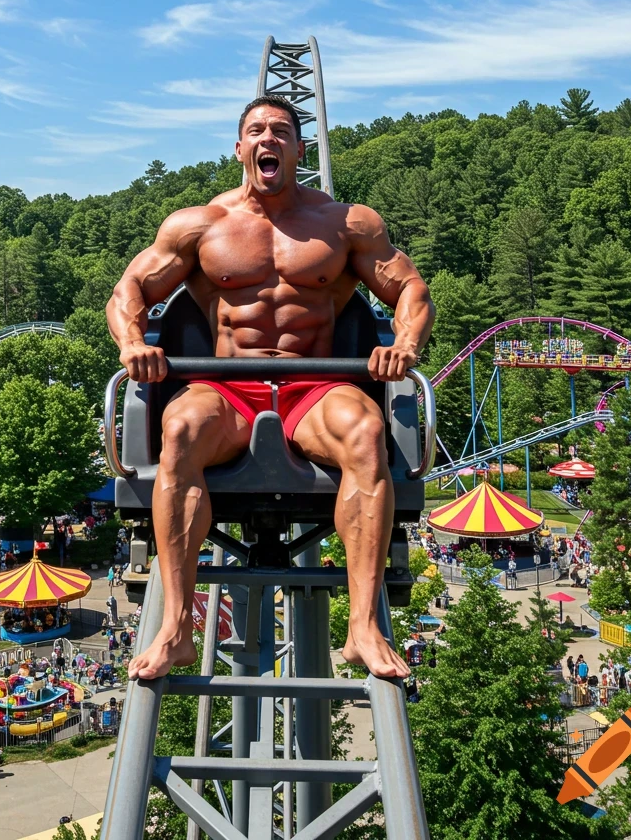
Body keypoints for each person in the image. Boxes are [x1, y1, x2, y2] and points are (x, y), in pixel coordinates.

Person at [107, 94, 434, 681]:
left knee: (366, 431)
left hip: (317, 385)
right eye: (256, 130)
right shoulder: (199, 225)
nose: (269, 139)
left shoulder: (345, 224)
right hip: (227, 388)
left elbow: (411, 291)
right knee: (178, 429)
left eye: (282, 131)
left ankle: (361, 628)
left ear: (299, 150)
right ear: (239, 148)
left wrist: (404, 347)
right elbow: (128, 291)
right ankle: (177, 628)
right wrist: (133, 343)